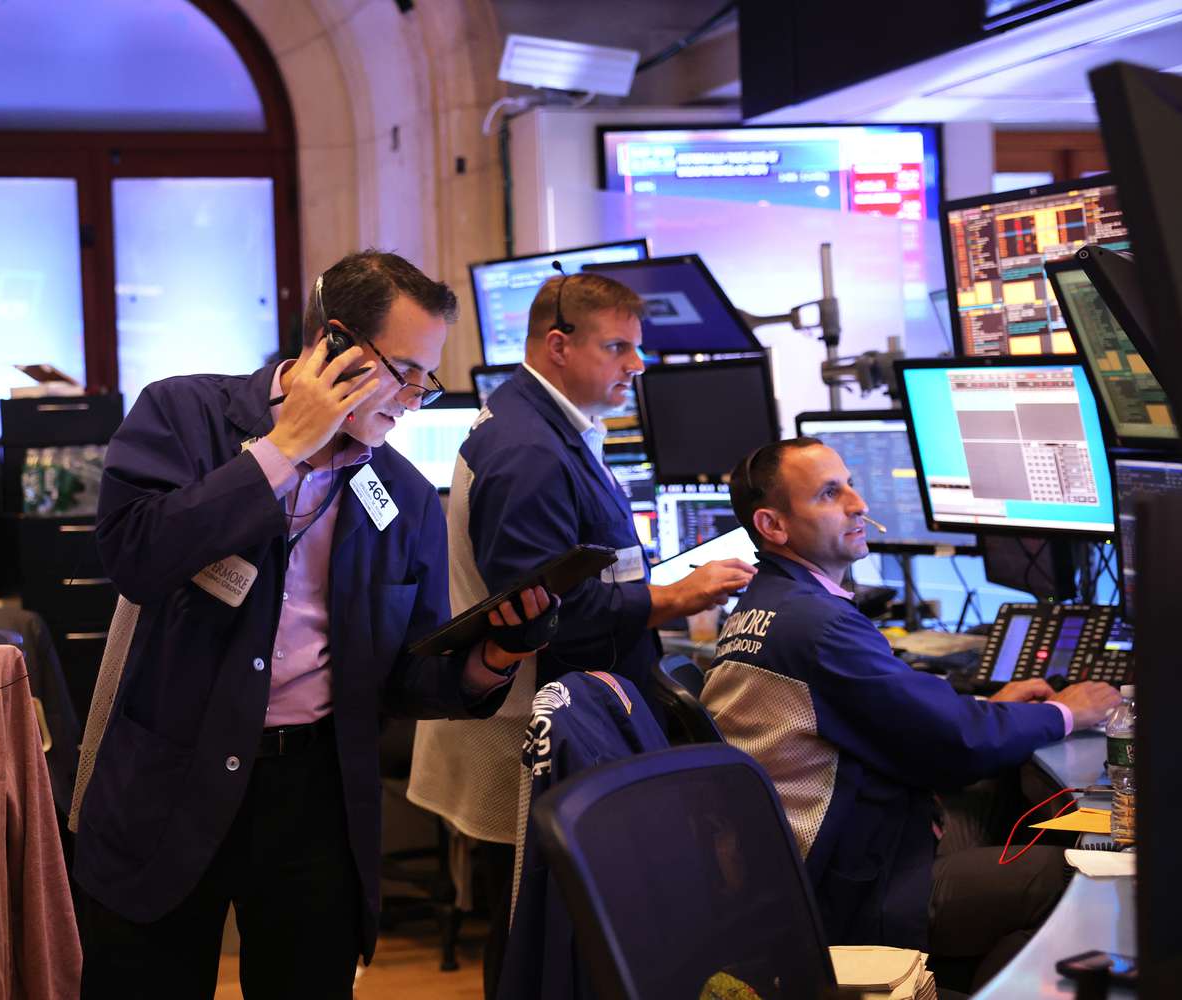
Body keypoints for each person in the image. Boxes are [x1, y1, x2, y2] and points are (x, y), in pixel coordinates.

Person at [73, 250, 552, 999]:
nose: (418, 397)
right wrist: (281, 449)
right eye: (407, 371)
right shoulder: (184, 414)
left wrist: (495, 654)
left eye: (430, 378)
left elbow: (402, 678)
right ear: (333, 345)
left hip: (315, 794)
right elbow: (137, 557)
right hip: (172, 775)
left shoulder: (401, 494)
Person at [407, 271, 754, 997]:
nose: (637, 366)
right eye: (620, 347)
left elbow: (585, 566)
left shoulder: (546, 423)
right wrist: (674, 596)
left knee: (554, 929)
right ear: (559, 345)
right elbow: (545, 615)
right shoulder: (528, 451)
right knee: (532, 936)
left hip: (559, 718)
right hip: (526, 729)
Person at [701, 437, 1121, 989]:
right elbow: (957, 744)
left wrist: (985, 708)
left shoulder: (771, 605)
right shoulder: (818, 627)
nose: (858, 504)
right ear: (773, 526)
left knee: (1011, 803)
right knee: (1070, 876)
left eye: (850, 483)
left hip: (831, 857)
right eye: (830, 493)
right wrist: (1067, 713)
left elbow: (894, 715)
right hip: (852, 893)